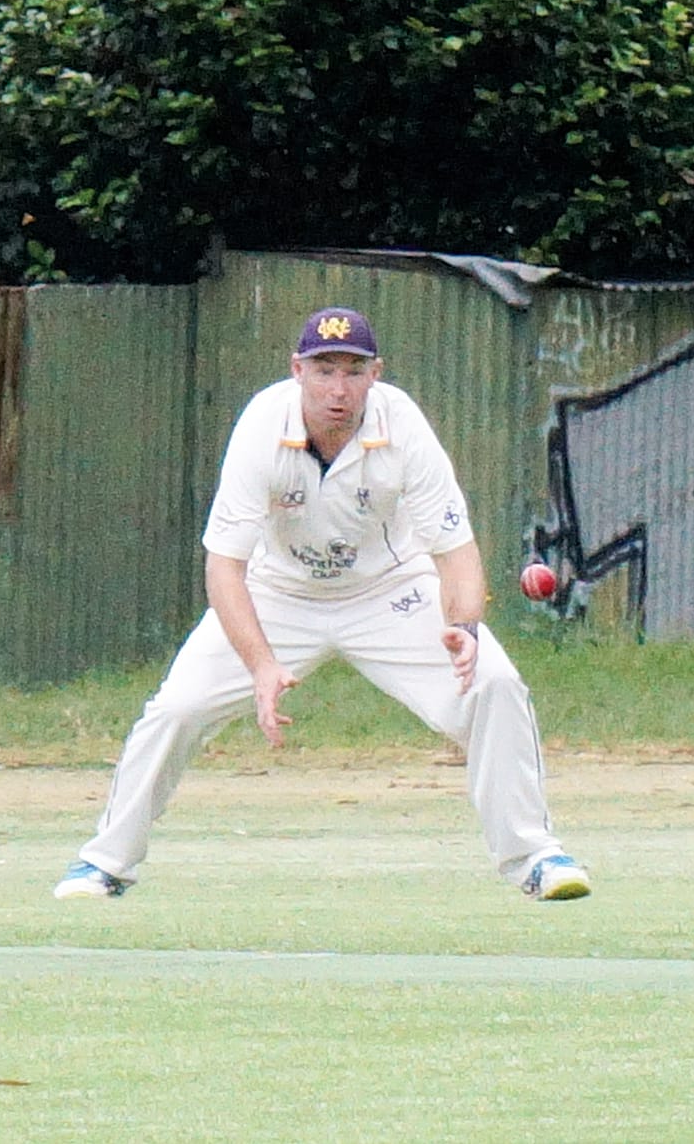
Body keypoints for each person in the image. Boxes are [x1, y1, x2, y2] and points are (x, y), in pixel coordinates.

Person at [53, 307, 591, 905]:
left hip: (391, 591)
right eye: (324, 370)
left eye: (354, 371)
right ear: (297, 370)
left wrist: (464, 627)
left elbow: (455, 550)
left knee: (493, 682)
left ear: (375, 374)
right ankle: (105, 864)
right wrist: (260, 665)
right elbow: (224, 566)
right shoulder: (263, 423)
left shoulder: (402, 424)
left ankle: (534, 856)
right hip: (278, 593)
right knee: (176, 709)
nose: (339, 389)